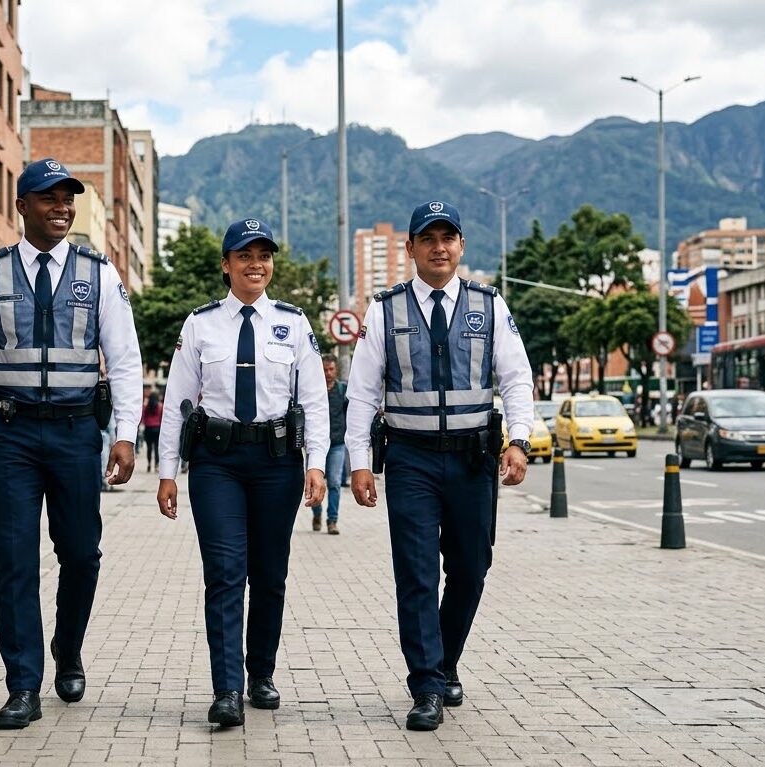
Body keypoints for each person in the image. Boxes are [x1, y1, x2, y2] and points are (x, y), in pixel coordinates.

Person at [0, 158, 143, 730]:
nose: (62, 207)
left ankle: (68, 648)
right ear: (22, 205)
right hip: (11, 434)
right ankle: (22, 683)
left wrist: (124, 435)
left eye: (68, 198)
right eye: (49, 198)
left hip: (78, 432)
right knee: (14, 559)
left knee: (81, 553)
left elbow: (125, 361)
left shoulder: (98, 272)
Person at [345, 200, 533, 732]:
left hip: (474, 460)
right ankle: (426, 684)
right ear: (410, 249)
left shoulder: (489, 306)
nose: (439, 247)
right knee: (417, 575)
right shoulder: (385, 309)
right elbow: (362, 394)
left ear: (461, 247)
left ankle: (447, 659)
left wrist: (518, 440)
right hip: (411, 461)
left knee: (472, 569)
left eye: (448, 238)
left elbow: (517, 379)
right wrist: (360, 462)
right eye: (428, 239)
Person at [156, 218, 328, 727]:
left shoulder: (294, 323)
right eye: (245, 255)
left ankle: (261, 675)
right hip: (218, 462)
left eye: (265, 255)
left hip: (278, 463)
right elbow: (178, 402)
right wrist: (168, 470)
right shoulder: (200, 324)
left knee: (269, 574)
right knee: (226, 573)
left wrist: (316, 463)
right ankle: (226, 688)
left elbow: (314, 400)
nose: (257, 264)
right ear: (226, 264)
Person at [310, 353, 347, 534]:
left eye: (331, 369)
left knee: (334, 483)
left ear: (336, 370)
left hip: (337, 444)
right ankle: (316, 513)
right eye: (325, 370)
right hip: (316, 444)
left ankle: (332, 520)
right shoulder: (313, 391)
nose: (328, 373)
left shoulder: (342, 391)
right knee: (314, 483)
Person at [142, 390, 162, 472]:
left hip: (148, 428)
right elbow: (162, 418)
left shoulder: (146, 407)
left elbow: (143, 416)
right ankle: (157, 465)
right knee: (157, 448)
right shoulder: (160, 406)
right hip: (157, 428)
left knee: (149, 448)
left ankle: (149, 464)